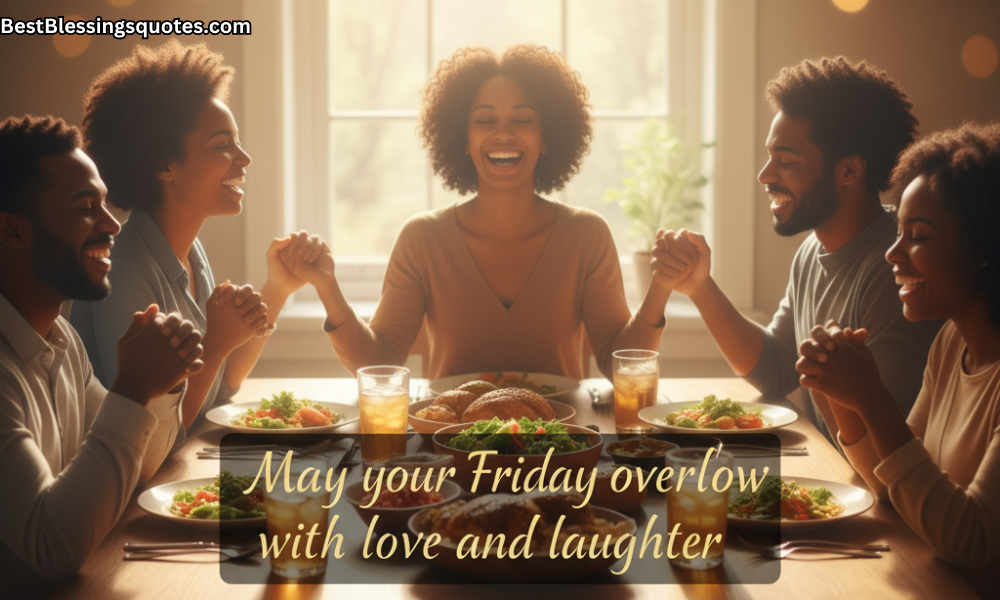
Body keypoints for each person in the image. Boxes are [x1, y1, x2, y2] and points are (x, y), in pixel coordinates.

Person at [281, 45, 680, 380]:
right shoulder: (422, 239)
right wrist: (327, 287)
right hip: (449, 454)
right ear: (463, 140)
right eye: (484, 120)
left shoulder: (587, 235)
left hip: (559, 454)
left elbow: (621, 366)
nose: (503, 133)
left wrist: (660, 287)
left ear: (546, 138)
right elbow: (378, 364)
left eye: (522, 119)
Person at [656, 57, 943, 441]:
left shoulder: (895, 269)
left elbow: (890, 447)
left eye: (785, 160)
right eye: (770, 156)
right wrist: (699, 287)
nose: (765, 175)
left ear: (849, 171)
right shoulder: (812, 250)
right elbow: (776, 367)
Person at [70, 41, 322, 448]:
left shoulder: (189, 253)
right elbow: (149, 441)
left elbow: (218, 390)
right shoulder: (127, 269)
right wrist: (217, 340)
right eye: (223, 145)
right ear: (164, 165)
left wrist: (277, 287)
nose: (244, 158)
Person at [795, 122, 1000, 591]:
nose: (893, 252)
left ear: (985, 248)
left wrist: (874, 400)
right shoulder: (952, 344)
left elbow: (971, 541)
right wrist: (838, 395)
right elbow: (892, 492)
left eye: (918, 236)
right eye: (898, 232)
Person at [0, 114, 204, 584]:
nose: (112, 223)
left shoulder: (60, 337)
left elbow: (139, 471)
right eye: (84, 207)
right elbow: (51, 548)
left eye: (105, 205)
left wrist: (162, 384)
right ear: (12, 232)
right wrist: (132, 390)